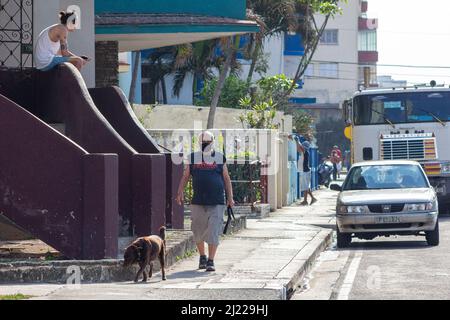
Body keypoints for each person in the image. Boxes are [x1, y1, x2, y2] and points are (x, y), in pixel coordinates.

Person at [176, 131, 235, 272]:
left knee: (213, 230)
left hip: (217, 201)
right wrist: (180, 192)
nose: (205, 145)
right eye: (203, 143)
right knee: (198, 231)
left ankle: (210, 260)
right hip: (198, 201)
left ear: (213, 142)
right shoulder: (193, 158)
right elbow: (185, 176)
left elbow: (226, 178)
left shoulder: (220, 157)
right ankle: (202, 256)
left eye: (208, 142)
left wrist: (230, 197)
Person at [290, 134, 317, 206]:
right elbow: (298, 148)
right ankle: (306, 200)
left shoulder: (305, 152)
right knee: (305, 187)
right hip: (305, 171)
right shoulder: (303, 152)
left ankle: (311, 199)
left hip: (305, 171)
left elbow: (300, 147)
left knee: (305, 187)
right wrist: (295, 141)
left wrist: (297, 139)